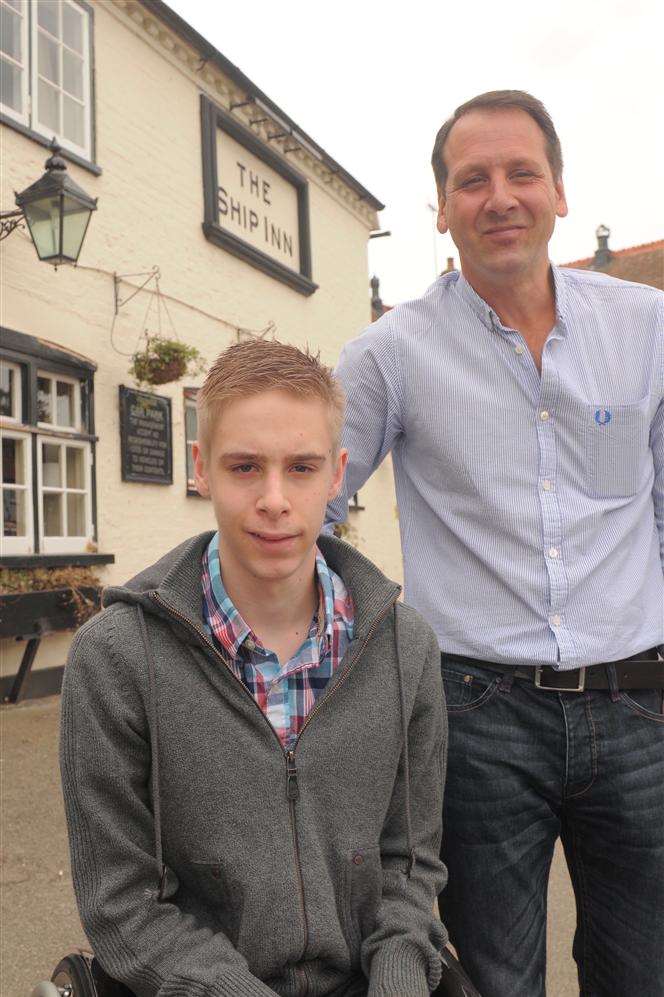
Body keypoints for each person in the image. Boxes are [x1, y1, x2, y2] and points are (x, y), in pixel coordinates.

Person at [327, 90, 664, 997]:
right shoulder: (390, 354)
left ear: (559, 190)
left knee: (646, 970)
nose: (499, 196)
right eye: (471, 180)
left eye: (522, 172)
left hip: (642, 708)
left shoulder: (647, 329)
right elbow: (307, 501)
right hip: (476, 715)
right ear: (441, 209)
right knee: (493, 978)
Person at [60, 339, 449, 997]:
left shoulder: (404, 648)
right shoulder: (115, 659)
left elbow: (409, 868)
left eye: (301, 467)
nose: (274, 498)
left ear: (337, 474)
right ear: (201, 468)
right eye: (244, 466)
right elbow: (121, 902)